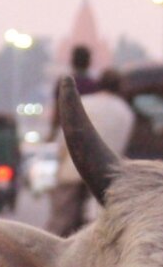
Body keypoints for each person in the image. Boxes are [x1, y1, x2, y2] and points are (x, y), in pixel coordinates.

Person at [50, 70, 135, 236]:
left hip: (72, 169)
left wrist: (61, 161)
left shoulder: (85, 103)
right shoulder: (126, 113)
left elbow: (62, 139)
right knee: (96, 230)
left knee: (59, 225)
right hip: (107, 176)